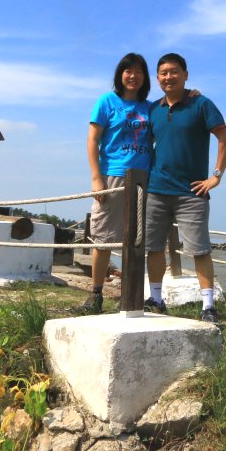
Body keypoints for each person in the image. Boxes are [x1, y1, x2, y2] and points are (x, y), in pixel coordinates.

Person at [144, 53, 226, 324]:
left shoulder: (201, 104)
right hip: (156, 189)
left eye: (174, 72)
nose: (168, 77)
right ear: (157, 78)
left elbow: (225, 139)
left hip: (192, 192)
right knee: (153, 248)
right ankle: (156, 299)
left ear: (185, 74)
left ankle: (208, 306)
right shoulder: (153, 109)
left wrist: (215, 176)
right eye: (163, 73)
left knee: (200, 250)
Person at [82, 53, 153, 314]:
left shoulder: (150, 107)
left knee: (136, 240)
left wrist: (190, 93)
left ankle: (132, 296)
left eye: (138, 71)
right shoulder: (106, 101)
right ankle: (96, 293)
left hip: (144, 178)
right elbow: (92, 140)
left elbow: (174, 105)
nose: (132, 76)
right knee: (102, 238)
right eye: (127, 71)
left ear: (145, 77)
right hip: (112, 175)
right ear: (120, 74)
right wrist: (96, 176)